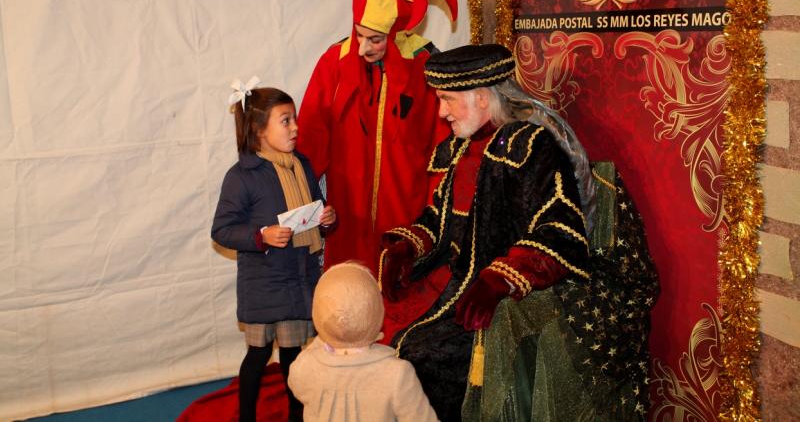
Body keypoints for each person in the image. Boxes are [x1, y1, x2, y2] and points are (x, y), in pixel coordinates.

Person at [380, 44, 657, 421]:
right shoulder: (461, 150)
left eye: (446, 99)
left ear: (481, 98)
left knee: (423, 356)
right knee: (387, 333)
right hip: (454, 284)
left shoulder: (530, 147)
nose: (441, 112)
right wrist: (408, 247)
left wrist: (498, 281)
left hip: (503, 298)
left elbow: (560, 230)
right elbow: (440, 217)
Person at [296, 0, 456, 275]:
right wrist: (299, 197)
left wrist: (436, 211)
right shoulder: (335, 62)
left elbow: (443, 144)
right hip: (347, 210)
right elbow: (312, 136)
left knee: (399, 285)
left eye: (375, 39)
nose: (362, 48)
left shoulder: (425, 66)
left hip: (405, 206)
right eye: (358, 34)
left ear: (396, 35)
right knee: (347, 290)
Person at [211, 81, 336, 422]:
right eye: (285, 120)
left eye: (294, 119)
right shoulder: (242, 176)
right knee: (258, 353)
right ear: (258, 130)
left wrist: (326, 219)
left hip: (299, 277)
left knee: (294, 356)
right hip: (264, 282)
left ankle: (297, 415)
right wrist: (261, 235)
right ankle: (246, 417)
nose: (295, 127)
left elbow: (316, 208)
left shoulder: (302, 165)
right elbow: (221, 230)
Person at [288, 262, 438, 422]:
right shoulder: (397, 373)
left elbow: (296, 385)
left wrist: (329, 329)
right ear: (377, 310)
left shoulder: (307, 365)